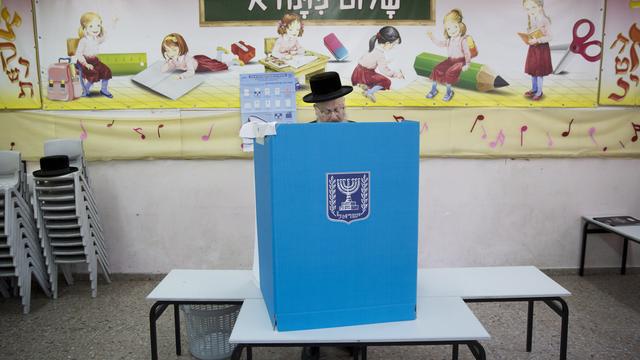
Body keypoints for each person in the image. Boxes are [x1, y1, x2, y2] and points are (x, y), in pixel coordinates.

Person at [300, 71, 354, 360]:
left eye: (340, 109)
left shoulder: (360, 134)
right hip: (314, 223)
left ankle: (350, 336)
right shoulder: (301, 139)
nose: (336, 116)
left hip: (350, 220)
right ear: (316, 110)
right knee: (316, 279)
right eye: (329, 111)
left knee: (349, 276)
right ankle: (313, 340)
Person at [426, 9, 471, 102]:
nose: (452, 30)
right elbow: (440, 43)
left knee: (449, 73)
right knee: (436, 69)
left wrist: (467, 64)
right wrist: (432, 37)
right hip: (450, 60)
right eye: (448, 28)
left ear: (460, 26)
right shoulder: (449, 40)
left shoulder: (463, 40)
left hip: (460, 61)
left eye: (455, 27)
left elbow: (467, 53)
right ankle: (434, 89)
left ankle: (449, 92)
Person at [351, 26, 404, 103]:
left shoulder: (372, 47)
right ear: (387, 43)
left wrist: (385, 62)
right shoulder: (380, 54)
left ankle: (361, 84)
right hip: (367, 75)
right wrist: (396, 75)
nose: (393, 47)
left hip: (356, 73)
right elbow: (384, 70)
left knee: (375, 77)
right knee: (386, 81)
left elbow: (366, 61)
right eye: (394, 45)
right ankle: (369, 92)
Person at [75, 12, 112, 98]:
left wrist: (112, 23)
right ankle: (85, 89)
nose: (95, 29)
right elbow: (79, 54)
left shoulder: (96, 39)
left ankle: (104, 89)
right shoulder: (83, 41)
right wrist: (86, 64)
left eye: (98, 26)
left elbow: (104, 37)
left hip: (95, 61)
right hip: (83, 62)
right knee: (93, 73)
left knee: (106, 70)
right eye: (91, 26)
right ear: (85, 29)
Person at [160, 33, 227, 79]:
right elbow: (163, 70)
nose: (171, 53)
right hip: (196, 60)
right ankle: (219, 52)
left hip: (201, 65)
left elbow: (191, 72)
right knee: (215, 61)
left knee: (217, 64)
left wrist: (181, 76)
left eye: (174, 50)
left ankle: (220, 52)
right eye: (168, 50)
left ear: (181, 47)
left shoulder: (187, 59)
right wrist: (167, 59)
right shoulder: (173, 59)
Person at [522, 0, 552, 101]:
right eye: (527, 9)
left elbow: (550, 37)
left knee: (539, 72)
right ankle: (534, 89)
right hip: (533, 49)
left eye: (533, 7)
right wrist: (528, 38)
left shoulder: (544, 20)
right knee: (533, 70)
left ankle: (539, 91)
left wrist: (538, 40)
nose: (530, 11)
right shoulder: (532, 20)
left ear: (540, 7)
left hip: (541, 49)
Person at [272, 12, 306, 89]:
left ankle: (298, 84)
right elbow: (274, 53)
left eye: (297, 29)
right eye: (291, 29)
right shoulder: (280, 40)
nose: (294, 33)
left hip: (292, 61)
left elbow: (301, 49)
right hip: (282, 62)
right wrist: (284, 56)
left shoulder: (294, 39)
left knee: (299, 69)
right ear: (284, 28)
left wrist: (297, 51)